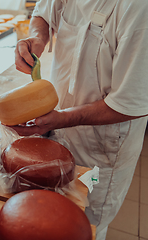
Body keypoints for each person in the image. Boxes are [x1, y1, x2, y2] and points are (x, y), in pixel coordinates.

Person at [13, 0, 148, 239]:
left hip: (101, 150)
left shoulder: (138, 9)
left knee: (85, 221)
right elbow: (44, 13)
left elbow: (129, 104)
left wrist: (62, 118)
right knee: (52, 215)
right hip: (58, 130)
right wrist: (37, 38)